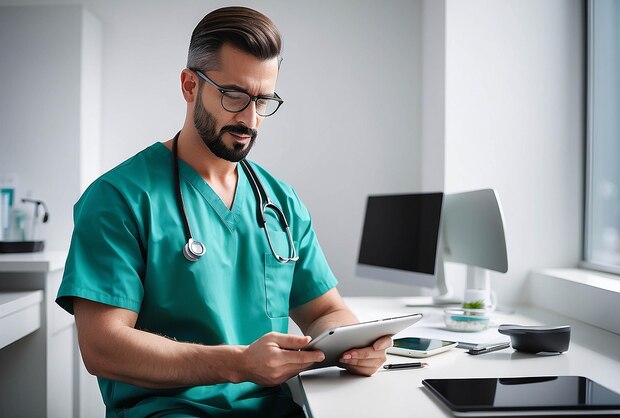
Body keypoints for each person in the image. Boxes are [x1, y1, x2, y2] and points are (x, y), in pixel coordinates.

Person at [56, 6, 391, 417]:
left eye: (263, 100)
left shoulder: (280, 202)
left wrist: (351, 345)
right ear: (189, 85)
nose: (249, 118)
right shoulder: (119, 198)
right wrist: (236, 364)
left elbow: (324, 311)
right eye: (234, 95)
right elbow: (103, 347)